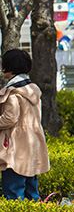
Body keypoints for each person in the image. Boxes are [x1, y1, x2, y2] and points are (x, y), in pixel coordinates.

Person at [0, 49, 49, 200]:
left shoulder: (13, 93)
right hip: (32, 145)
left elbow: (10, 118)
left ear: (9, 67)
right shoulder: (32, 90)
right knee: (31, 190)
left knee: (13, 192)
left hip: (16, 149)